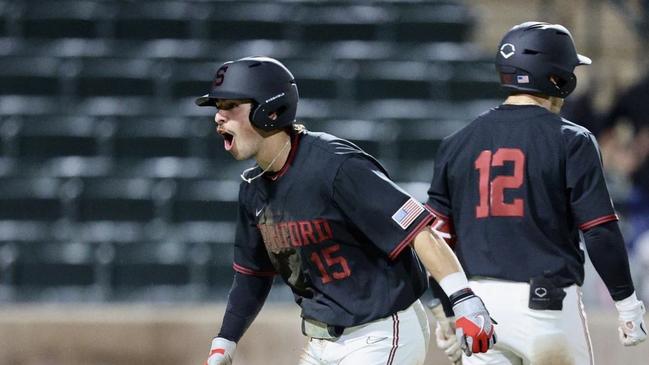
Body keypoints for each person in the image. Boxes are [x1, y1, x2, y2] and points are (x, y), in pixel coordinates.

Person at [194, 56, 496, 365]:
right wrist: (225, 340)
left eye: (231, 106)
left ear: (270, 110)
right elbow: (252, 276)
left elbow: (418, 230)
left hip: (381, 332)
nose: (219, 117)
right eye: (218, 108)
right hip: (322, 341)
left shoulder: (335, 165)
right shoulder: (252, 188)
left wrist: (463, 298)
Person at [426, 22, 647, 365]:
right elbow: (599, 230)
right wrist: (627, 302)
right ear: (554, 75)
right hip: (546, 306)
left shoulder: (457, 143)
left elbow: (435, 237)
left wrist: (445, 305)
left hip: (477, 306)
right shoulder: (572, 139)